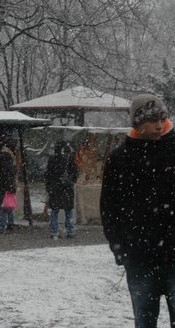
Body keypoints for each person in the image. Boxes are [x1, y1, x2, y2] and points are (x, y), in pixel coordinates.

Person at [101, 94, 175, 328]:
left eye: (162, 118)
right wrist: (119, 248)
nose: (159, 125)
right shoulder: (120, 159)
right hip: (139, 258)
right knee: (144, 321)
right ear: (137, 122)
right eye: (152, 119)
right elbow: (109, 208)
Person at [45, 140, 78, 240]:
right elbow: (75, 174)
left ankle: (54, 232)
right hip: (67, 188)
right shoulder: (70, 159)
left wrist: (49, 186)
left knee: (54, 211)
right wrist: (71, 181)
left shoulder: (52, 159)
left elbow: (47, 175)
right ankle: (70, 231)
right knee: (68, 210)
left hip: (55, 189)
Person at [0, 144, 17, 234]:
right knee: (9, 206)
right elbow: (11, 176)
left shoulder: (1, 164)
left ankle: (1, 227)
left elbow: (1, 176)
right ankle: (11, 224)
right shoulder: (11, 163)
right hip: (9, 187)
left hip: (3, 187)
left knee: (3, 208)